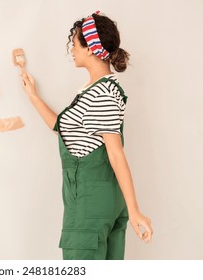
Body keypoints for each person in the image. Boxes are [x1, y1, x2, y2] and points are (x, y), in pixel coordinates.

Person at [21, 11, 153, 260]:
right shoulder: (97, 91)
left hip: (89, 206)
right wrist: (33, 96)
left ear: (91, 48)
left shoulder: (100, 94)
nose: (72, 50)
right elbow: (62, 127)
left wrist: (135, 211)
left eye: (75, 44)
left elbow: (115, 153)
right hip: (106, 201)